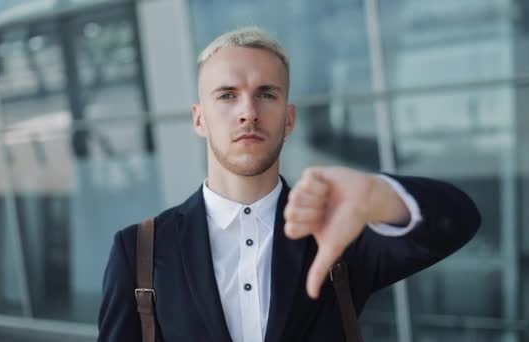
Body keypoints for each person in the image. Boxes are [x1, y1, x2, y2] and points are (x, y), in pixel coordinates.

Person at [98, 27, 481, 342]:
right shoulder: (138, 251)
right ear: (199, 120)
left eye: (266, 94)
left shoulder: (338, 229)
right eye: (227, 96)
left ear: (289, 118)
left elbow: (460, 219)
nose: (248, 112)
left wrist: (378, 193)